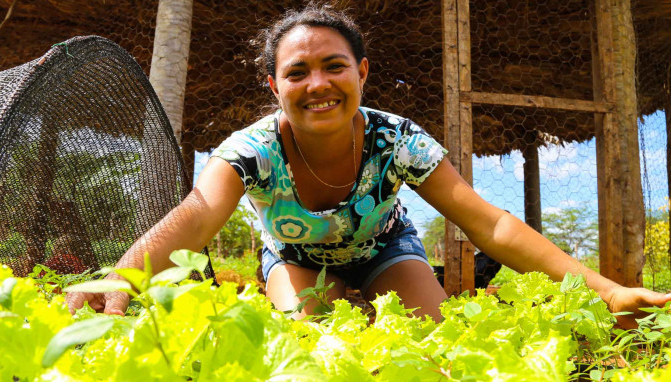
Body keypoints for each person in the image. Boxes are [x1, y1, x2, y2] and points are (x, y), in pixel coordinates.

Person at [67, 4, 670, 327]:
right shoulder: (250, 150)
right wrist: (121, 273)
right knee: (306, 341)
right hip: (296, 258)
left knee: (431, 339)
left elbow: (490, 226)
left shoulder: (397, 140)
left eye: (334, 65)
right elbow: (198, 213)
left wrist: (606, 289)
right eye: (297, 72)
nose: (318, 84)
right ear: (274, 85)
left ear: (362, 73)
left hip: (387, 250)